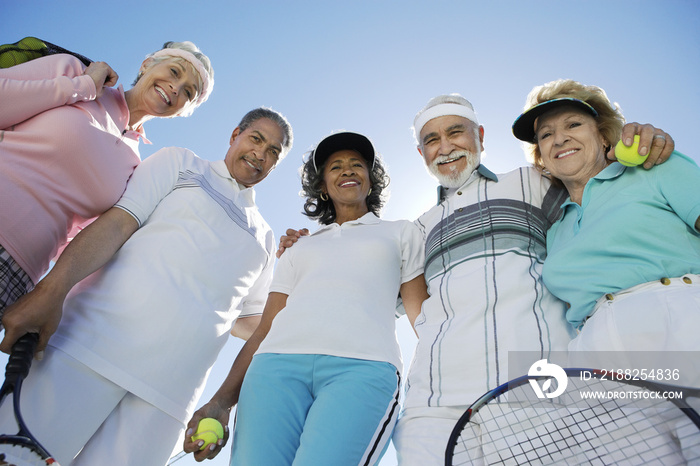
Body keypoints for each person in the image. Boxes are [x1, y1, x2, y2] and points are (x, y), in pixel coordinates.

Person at [278, 95, 674, 465]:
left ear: (479, 137)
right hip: (431, 405)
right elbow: (362, 287)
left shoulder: (534, 181)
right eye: (431, 139)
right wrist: (312, 245)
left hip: (532, 390)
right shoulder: (416, 229)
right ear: (421, 153)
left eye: (455, 132)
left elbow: (595, 180)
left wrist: (634, 139)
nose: (445, 146)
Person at [0, 107, 293, 465]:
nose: (261, 153)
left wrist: (305, 271)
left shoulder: (265, 238)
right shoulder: (182, 162)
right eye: (256, 139)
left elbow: (251, 323)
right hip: (87, 347)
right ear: (235, 135)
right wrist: (49, 292)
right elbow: (117, 225)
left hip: (169, 398)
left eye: (273, 152)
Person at [181, 132, 429, 465]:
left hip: (363, 369)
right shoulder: (299, 247)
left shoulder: (402, 232)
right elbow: (265, 328)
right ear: (324, 187)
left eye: (357, 165)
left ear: (371, 182)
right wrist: (221, 402)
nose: (347, 171)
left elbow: (420, 317)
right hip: (274, 370)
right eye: (336, 167)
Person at [0, 40, 213, 322]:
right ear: (147, 64)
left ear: (184, 109)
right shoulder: (76, 72)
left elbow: (79, 240)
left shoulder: (135, 165)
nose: (177, 87)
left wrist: (50, 294)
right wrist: (84, 86)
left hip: (18, 275)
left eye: (188, 91)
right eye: (175, 72)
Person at [512, 79, 700, 371]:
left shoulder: (654, 168)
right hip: (596, 354)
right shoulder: (555, 229)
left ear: (603, 137)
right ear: (542, 156)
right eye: (546, 134)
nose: (559, 139)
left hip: (683, 325)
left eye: (573, 125)